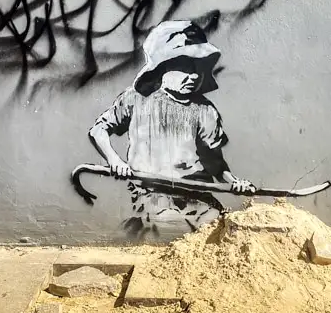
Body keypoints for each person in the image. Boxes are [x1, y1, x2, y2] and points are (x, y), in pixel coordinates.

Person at [88, 20, 255, 237]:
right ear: (162, 68)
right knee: (167, 226)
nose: (193, 76)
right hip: (151, 194)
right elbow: (98, 130)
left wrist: (233, 183)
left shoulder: (204, 110)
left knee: (219, 229)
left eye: (197, 69)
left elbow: (215, 163)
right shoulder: (137, 100)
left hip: (198, 195)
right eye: (185, 67)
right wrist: (114, 160)